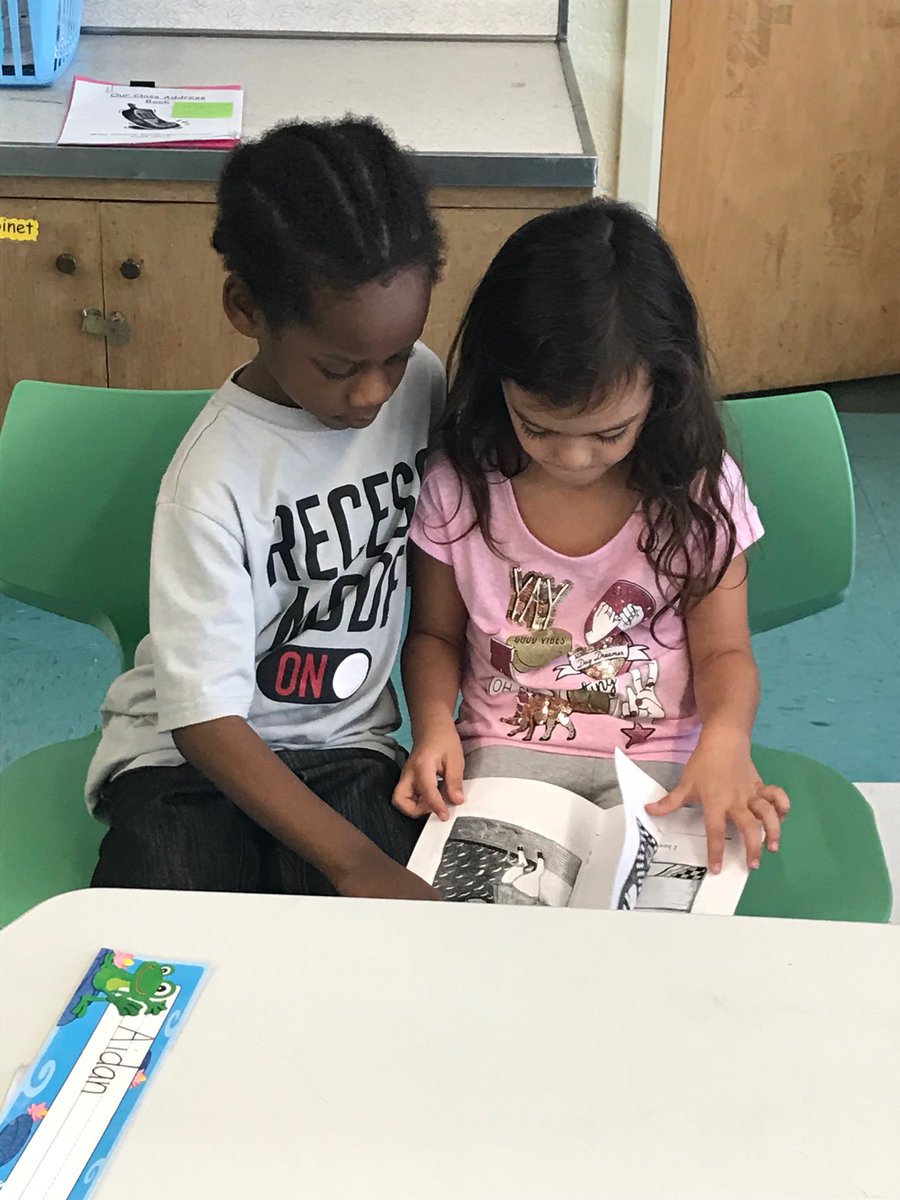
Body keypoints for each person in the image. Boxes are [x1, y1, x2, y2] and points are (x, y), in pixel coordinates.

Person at [87, 117, 446, 900]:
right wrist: (352, 862)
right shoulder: (212, 481)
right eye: (340, 366)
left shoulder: (422, 381)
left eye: (395, 354)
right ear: (245, 308)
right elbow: (203, 721)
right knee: (177, 941)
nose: (375, 392)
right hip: (187, 761)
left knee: (389, 962)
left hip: (347, 746)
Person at [392, 198, 790, 875]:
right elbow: (433, 637)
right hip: (503, 755)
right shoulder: (460, 483)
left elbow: (725, 650)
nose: (573, 460)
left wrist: (726, 738)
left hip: (663, 760)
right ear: (499, 386)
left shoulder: (696, 487)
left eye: (609, 433)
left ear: (661, 391)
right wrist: (432, 724)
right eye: (538, 427)